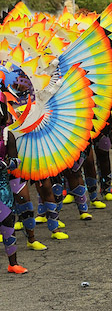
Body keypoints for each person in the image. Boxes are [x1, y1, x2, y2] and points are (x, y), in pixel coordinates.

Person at [0, 96, 28, 273]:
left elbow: (16, 160)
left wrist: (6, 164)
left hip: (2, 185)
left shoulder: (6, 134)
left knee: (7, 221)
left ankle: (13, 263)